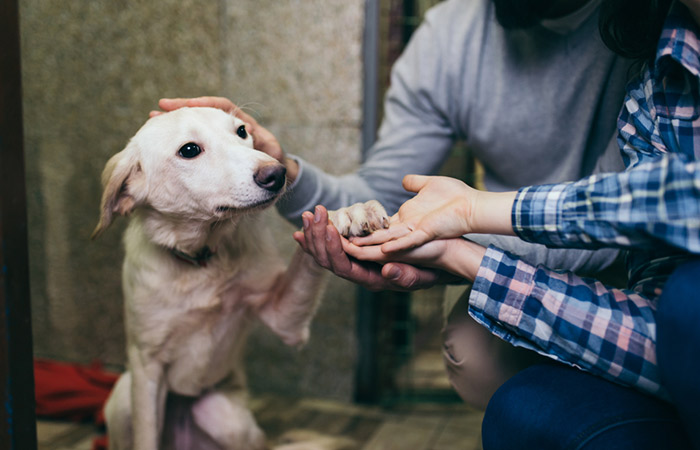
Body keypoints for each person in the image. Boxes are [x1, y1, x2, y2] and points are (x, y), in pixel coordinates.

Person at [156, 0, 635, 409]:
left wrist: (456, 251)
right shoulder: (451, 34)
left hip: (642, 252)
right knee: (475, 357)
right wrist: (285, 173)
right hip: (512, 245)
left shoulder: (645, 24)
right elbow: (379, 194)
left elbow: (633, 212)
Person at [342, 0, 700, 446]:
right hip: (644, 298)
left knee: (688, 301)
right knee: (517, 408)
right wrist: (459, 254)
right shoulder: (660, 68)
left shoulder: (626, 45)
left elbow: (673, 198)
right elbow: (664, 336)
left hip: (609, 260)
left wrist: (474, 214)